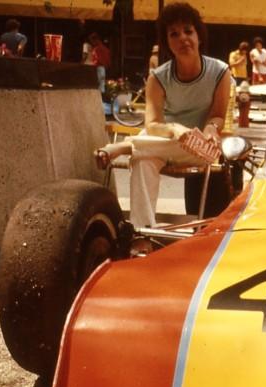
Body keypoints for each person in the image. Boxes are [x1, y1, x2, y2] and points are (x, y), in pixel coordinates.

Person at [94, 2, 231, 236]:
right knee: (142, 160)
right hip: (163, 143)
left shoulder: (220, 71)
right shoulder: (158, 77)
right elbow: (153, 124)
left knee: (144, 151)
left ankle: (126, 146)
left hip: (198, 149)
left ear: (199, 35)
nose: (183, 38)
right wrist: (176, 129)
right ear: (167, 42)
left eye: (188, 30)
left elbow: (218, 115)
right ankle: (142, 234)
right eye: (174, 34)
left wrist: (209, 129)